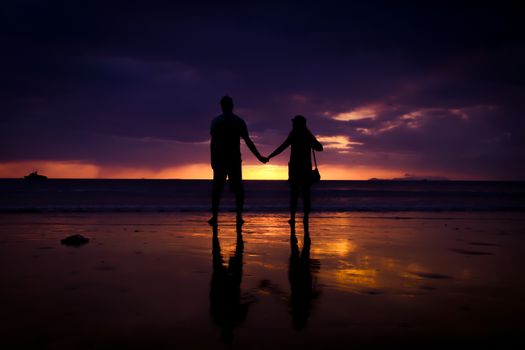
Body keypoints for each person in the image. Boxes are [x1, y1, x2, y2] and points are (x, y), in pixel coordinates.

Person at [209, 96, 267, 225]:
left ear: (221, 106)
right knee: (238, 190)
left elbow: (212, 144)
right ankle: (239, 217)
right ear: (232, 106)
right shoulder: (238, 121)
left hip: (220, 159)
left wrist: (212, 160)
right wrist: (259, 157)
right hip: (234, 158)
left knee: (217, 189)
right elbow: (248, 141)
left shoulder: (216, 121)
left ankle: (215, 217)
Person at [267, 115, 323, 223]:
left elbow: (282, 147)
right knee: (306, 194)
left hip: (295, 168)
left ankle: (292, 218)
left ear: (297, 124)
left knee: (294, 193)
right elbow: (320, 148)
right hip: (306, 168)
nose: (292, 125)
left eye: (294, 123)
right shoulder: (308, 135)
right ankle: (305, 217)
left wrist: (269, 157)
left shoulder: (294, 134)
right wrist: (311, 141)